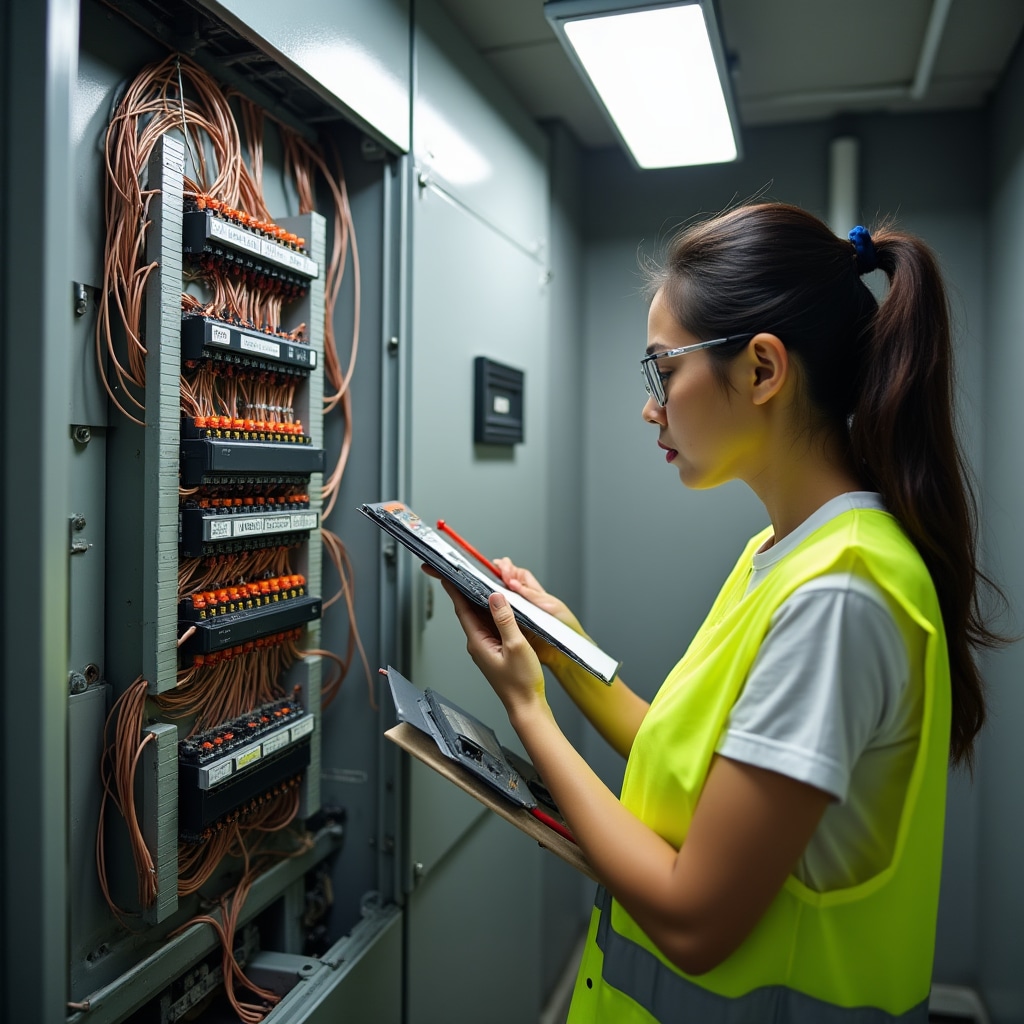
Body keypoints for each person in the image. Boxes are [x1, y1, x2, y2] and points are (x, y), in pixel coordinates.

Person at [427, 202, 1005, 1023]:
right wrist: (562, 653)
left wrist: (527, 709)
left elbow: (694, 922)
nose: (651, 405)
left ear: (764, 370)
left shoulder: (839, 596)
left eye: (663, 371)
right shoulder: (788, 549)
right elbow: (687, 760)